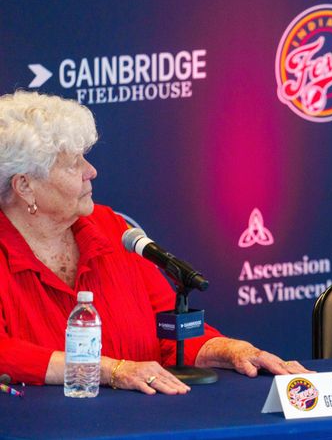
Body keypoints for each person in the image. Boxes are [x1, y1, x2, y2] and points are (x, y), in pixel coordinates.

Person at [0, 91, 309, 394]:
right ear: (25, 186)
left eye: (85, 159)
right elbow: (6, 353)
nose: (91, 171)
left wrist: (232, 350)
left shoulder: (108, 227)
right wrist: (113, 370)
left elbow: (168, 333)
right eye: (72, 164)